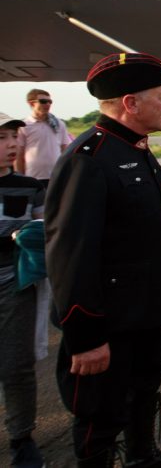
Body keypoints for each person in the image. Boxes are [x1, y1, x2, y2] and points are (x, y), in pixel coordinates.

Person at [45, 53, 161, 467]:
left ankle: (143, 457)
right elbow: (69, 255)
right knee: (101, 413)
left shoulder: (133, 149)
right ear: (130, 103)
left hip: (144, 312)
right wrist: (85, 337)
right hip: (109, 322)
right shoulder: (88, 160)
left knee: (144, 390)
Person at [0, 112, 46, 468]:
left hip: (16, 283)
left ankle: (21, 437)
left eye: (13, 136)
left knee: (17, 365)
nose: (13, 144)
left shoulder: (30, 187)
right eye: (2, 138)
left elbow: (44, 230)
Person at [14, 88, 72, 186]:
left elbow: (65, 150)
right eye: (43, 101)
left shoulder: (59, 124)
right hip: (32, 177)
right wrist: (20, 178)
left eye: (50, 102)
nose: (48, 104)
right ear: (32, 104)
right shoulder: (24, 125)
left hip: (56, 175)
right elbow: (19, 155)